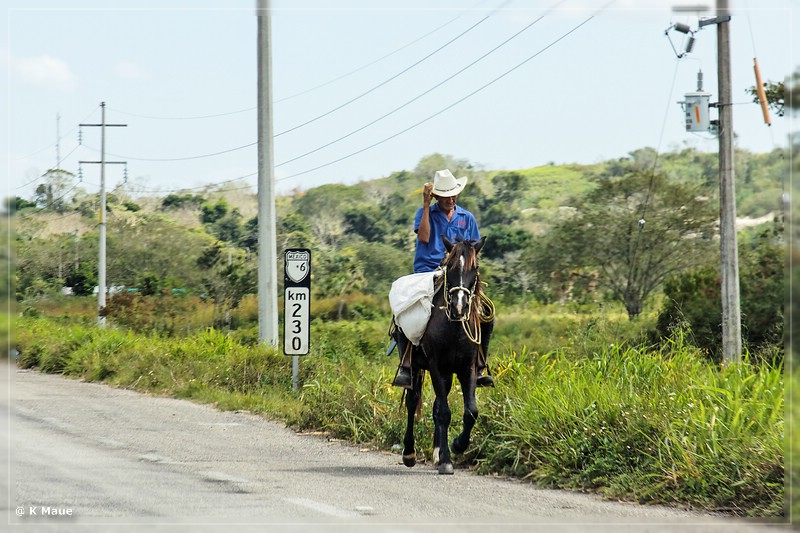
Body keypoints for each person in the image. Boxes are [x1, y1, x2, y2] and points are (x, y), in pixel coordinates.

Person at [391, 169, 494, 388]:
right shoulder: (425, 213)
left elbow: (473, 250)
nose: (451, 199)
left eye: (453, 194)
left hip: (457, 274)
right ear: (436, 196)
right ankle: (406, 365)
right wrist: (426, 205)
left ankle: (480, 364)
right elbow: (424, 237)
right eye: (446, 196)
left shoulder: (467, 217)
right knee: (405, 309)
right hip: (427, 271)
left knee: (486, 312)